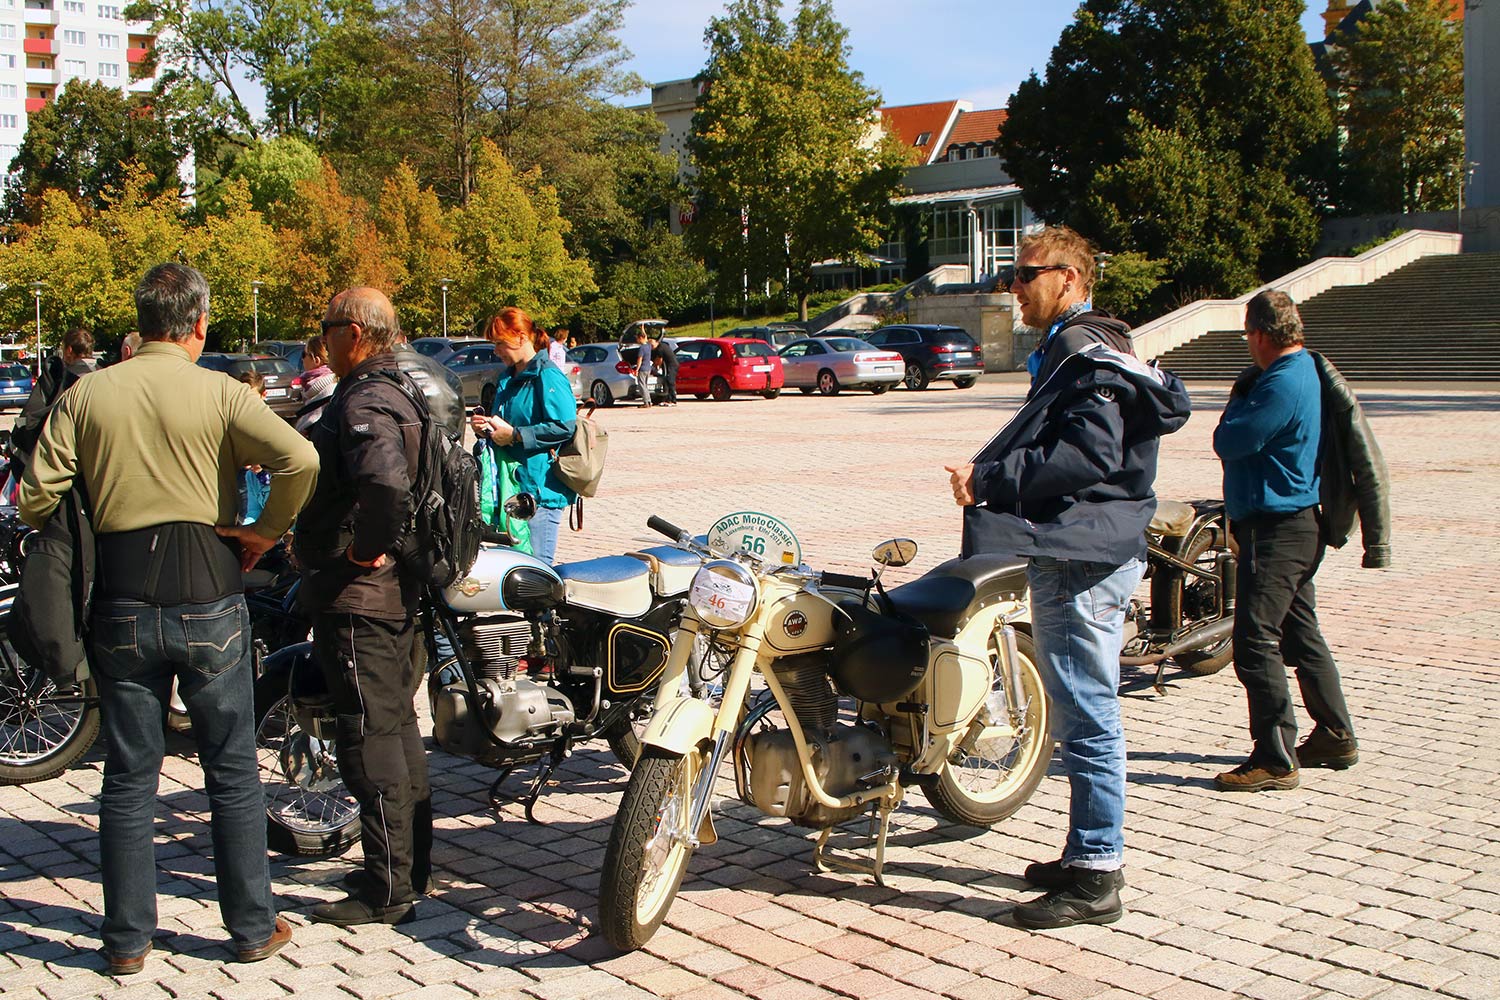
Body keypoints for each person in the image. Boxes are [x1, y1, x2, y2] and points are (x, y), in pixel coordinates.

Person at [19, 263, 317, 974]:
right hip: (210, 587)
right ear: (200, 324)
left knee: (127, 776)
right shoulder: (218, 391)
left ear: (143, 319)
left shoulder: (88, 393)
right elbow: (299, 458)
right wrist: (265, 532)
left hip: (120, 596)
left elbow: (34, 498)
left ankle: (125, 944)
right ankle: (249, 928)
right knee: (232, 770)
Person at [946, 226, 1191, 929]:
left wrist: (991, 481)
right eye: (1013, 277)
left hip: (1086, 555)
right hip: (1080, 546)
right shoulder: (1084, 348)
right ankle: (1087, 852)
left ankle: (1097, 872)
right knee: (1081, 709)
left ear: (1072, 280)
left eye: (1027, 275)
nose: (1015, 288)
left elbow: (1087, 456)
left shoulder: (1087, 353)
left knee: (1087, 714)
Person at [1211, 290, 1390, 792]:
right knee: (1301, 633)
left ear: (1261, 335)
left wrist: (1234, 410)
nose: (1248, 345)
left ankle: (1274, 756)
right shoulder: (1304, 371)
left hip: (1277, 527)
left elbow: (1231, 440)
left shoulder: (1281, 382)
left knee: (1254, 641)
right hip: (1294, 524)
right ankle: (1334, 734)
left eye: (1248, 335)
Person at [293, 287, 433, 926]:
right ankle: (408, 867)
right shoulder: (401, 387)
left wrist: (361, 552)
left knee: (370, 736)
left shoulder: (368, 398)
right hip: (389, 593)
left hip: (361, 597)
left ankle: (389, 888)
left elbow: (384, 485)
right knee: (396, 727)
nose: (322, 340)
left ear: (354, 332)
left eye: (327, 329)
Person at [469, 307, 577, 564]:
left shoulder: (546, 375)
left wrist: (515, 435)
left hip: (537, 492)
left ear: (520, 337)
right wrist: (487, 429)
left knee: (537, 574)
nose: (496, 351)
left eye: (500, 344)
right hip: (510, 487)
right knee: (515, 571)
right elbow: (505, 425)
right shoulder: (508, 377)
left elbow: (564, 427)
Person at [8, 328, 100, 482]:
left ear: (69, 350)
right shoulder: (106, 376)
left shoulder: (60, 377)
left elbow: (31, 422)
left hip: (67, 467)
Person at [235, 370, 273, 524]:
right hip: (251, 476)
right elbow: (253, 511)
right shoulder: (251, 476)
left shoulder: (272, 426)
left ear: (264, 395)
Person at [295, 334, 338, 436]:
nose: (302, 359)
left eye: (303, 354)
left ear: (316, 360)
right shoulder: (312, 390)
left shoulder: (331, 391)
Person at [651, 332, 678, 407]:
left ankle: (673, 400)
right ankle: (668, 399)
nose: (651, 347)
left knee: (670, 381)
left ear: (657, 342)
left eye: (652, 345)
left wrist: (656, 367)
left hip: (672, 365)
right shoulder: (662, 346)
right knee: (666, 381)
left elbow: (659, 360)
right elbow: (657, 359)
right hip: (669, 365)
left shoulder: (660, 348)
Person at [633, 331, 653, 408]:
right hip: (648, 368)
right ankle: (649, 401)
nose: (637, 340)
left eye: (637, 338)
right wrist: (643, 329)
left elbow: (639, 359)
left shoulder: (642, 348)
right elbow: (646, 336)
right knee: (645, 385)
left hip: (642, 369)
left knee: (642, 386)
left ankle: (646, 402)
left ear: (641, 338)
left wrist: (637, 369)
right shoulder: (648, 346)